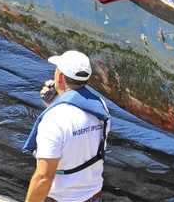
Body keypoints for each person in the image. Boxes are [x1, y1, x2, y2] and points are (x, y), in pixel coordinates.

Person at [24, 51, 111, 202]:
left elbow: (44, 178)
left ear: (60, 77)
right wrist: (55, 102)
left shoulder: (54, 119)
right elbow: (80, 139)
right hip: (93, 195)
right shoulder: (100, 106)